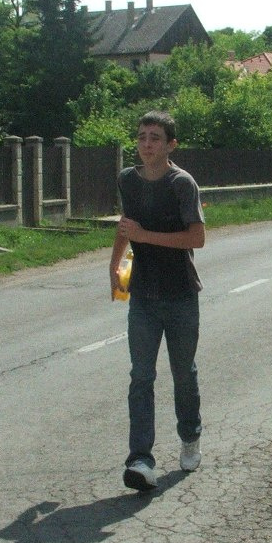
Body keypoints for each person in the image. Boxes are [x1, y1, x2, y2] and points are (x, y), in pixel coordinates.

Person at [111, 111, 206, 492]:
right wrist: (115, 263)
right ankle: (141, 459)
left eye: (155, 138)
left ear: (170, 145)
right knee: (141, 376)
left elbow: (196, 239)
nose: (146, 144)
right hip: (144, 297)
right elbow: (126, 224)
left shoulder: (182, 184)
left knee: (183, 373)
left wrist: (144, 235)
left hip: (181, 295)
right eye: (142, 137)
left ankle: (190, 435)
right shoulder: (127, 181)